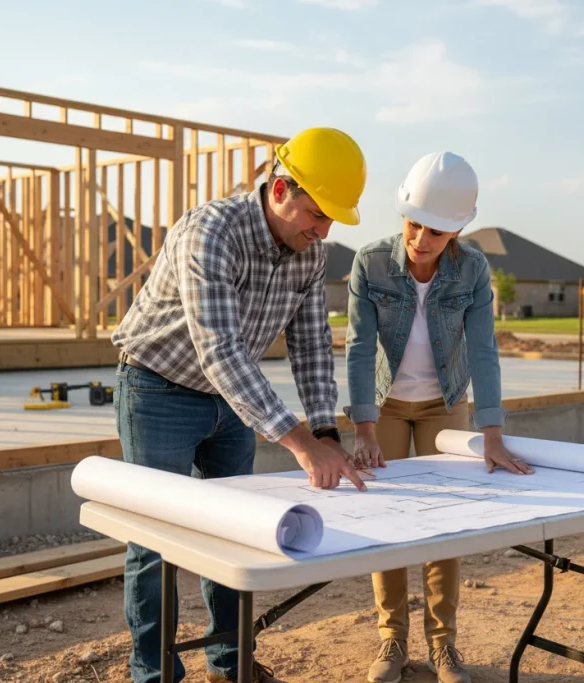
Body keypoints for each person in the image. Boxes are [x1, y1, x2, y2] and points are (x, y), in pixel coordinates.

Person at [111, 127, 371, 683]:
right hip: (157, 389)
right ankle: (153, 673)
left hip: (232, 401)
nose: (323, 231)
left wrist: (325, 430)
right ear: (281, 189)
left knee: (233, 532)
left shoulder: (309, 254)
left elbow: (311, 347)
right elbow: (220, 351)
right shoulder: (211, 232)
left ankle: (230, 665)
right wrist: (299, 444)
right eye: (317, 214)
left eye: (330, 220)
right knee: (157, 540)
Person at [344, 151, 535, 683]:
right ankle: (392, 640)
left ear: (456, 230)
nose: (421, 239)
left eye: (435, 231)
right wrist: (362, 426)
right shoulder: (371, 263)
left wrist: (492, 433)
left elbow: (484, 350)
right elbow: (359, 348)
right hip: (382, 404)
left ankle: (443, 643)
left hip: (445, 403)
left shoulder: (472, 268)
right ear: (402, 212)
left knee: (444, 521)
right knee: (388, 516)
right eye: (414, 224)